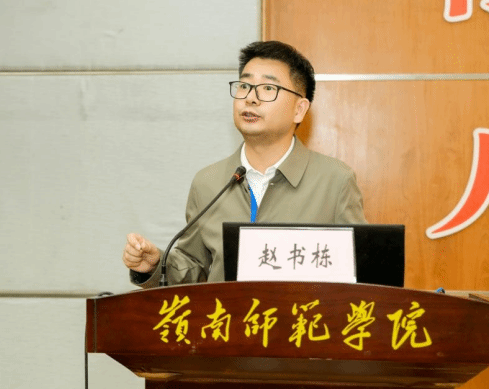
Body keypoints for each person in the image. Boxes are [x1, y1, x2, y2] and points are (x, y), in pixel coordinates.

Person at [123, 40, 366, 287]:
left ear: (299, 109)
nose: (250, 98)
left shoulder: (335, 181)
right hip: (227, 313)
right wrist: (154, 266)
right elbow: (196, 272)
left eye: (268, 88)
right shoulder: (209, 183)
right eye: (244, 86)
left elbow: (359, 274)